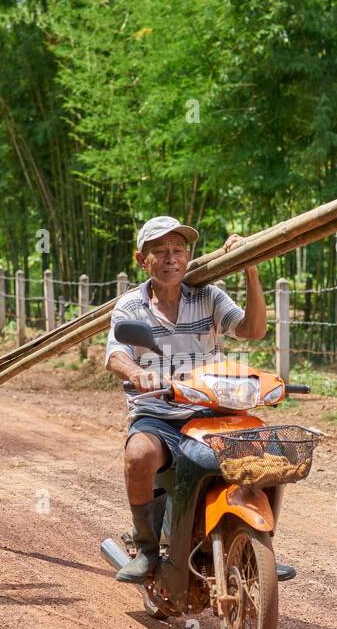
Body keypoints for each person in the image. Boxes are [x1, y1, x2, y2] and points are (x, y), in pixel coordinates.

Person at [104, 215, 267, 584]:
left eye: (178, 250)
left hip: (210, 413)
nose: (170, 259)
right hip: (159, 416)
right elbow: (117, 354)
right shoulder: (131, 306)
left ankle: (260, 545)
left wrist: (251, 270)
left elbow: (253, 330)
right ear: (141, 259)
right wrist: (136, 373)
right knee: (139, 455)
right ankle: (147, 550)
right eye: (159, 251)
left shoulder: (209, 296)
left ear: (188, 254)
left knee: (260, 451)